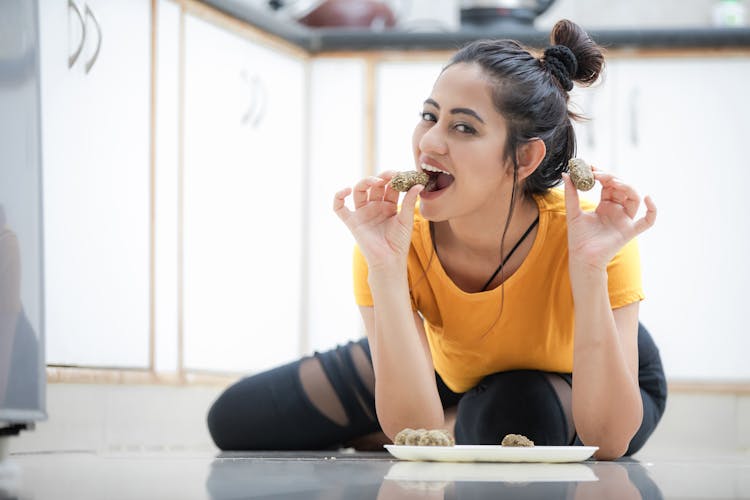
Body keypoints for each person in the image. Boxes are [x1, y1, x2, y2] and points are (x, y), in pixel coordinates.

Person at [207, 19, 667, 460]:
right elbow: (413, 434)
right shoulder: (394, 233)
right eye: (430, 116)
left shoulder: (594, 235)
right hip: (449, 357)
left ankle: (462, 423)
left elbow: (607, 441)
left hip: (576, 366)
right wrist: (385, 271)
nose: (430, 142)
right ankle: (457, 420)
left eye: (463, 127)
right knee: (236, 420)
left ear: (524, 157)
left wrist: (588, 271)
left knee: (510, 418)